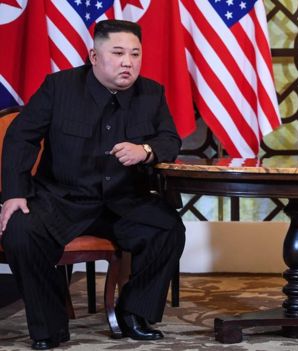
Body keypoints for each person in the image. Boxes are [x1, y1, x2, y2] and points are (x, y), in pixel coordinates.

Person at [0, 20, 185, 350]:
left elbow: (170, 139)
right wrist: (14, 193)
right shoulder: (60, 87)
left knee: (168, 228)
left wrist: (145, 151)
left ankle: (133, 313)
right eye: (117, 53)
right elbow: (20, 137)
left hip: (124, 202)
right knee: (21, 230)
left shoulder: (152, 93)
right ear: (94, 56)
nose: (127, 62)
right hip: (63, 199)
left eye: (134, 54)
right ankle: (49, 327)